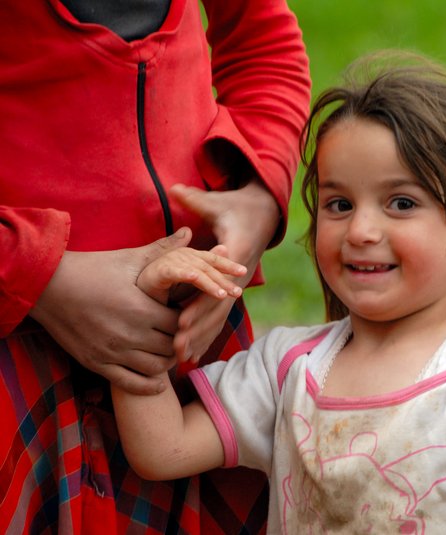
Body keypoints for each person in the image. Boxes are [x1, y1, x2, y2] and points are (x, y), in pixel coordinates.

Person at [112, 53, 446, 534]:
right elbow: (163, 450)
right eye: (339, 203)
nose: (361, 230)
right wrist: (144, 305)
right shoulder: (287, 369)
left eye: (402, 203)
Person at [0, 1, 310, 533]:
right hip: (19, 347)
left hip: (190, 347)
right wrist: (37, 274)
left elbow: (265, 45)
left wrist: (258, 198)